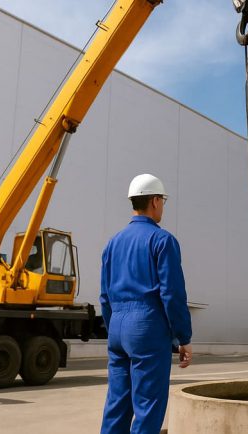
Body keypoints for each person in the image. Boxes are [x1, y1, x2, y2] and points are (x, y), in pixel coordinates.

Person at [100, 173, 193, 434]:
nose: (162, 205)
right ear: (154, 201)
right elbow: (172, 294)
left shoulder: (112, 244)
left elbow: (104, 296)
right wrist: (183, 337)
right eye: (162, 200)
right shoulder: (162, 241)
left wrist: (114, 328)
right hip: (147, 328)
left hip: (117, 328)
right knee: (148, 406)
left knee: (117, 404)